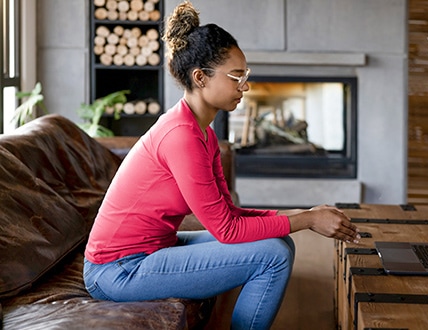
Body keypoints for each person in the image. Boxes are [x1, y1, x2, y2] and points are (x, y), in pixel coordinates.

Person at [83, 2, 360, 329]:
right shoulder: (181, 136)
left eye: (246, 75)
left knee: (279, 243)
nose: (245, 86)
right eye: (236, 76)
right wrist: (307, 219)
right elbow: (227, 231)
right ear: (200, 78)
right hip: (118, 270)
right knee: (274, 256)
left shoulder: (203, 134)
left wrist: (304, 215)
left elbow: (228, 215)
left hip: (153, 250)